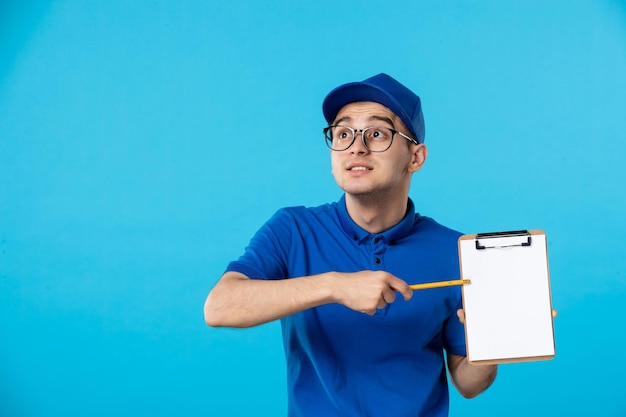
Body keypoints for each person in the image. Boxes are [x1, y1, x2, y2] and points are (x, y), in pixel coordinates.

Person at [204, 73, 498, 416]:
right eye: (343, 134)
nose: (356, 146)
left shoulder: (456, 250)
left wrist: (496, 341)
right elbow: (220, 307)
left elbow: (468, 384)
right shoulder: (292, 230)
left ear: (416, 157)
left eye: (376, 133)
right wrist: (334, 286)